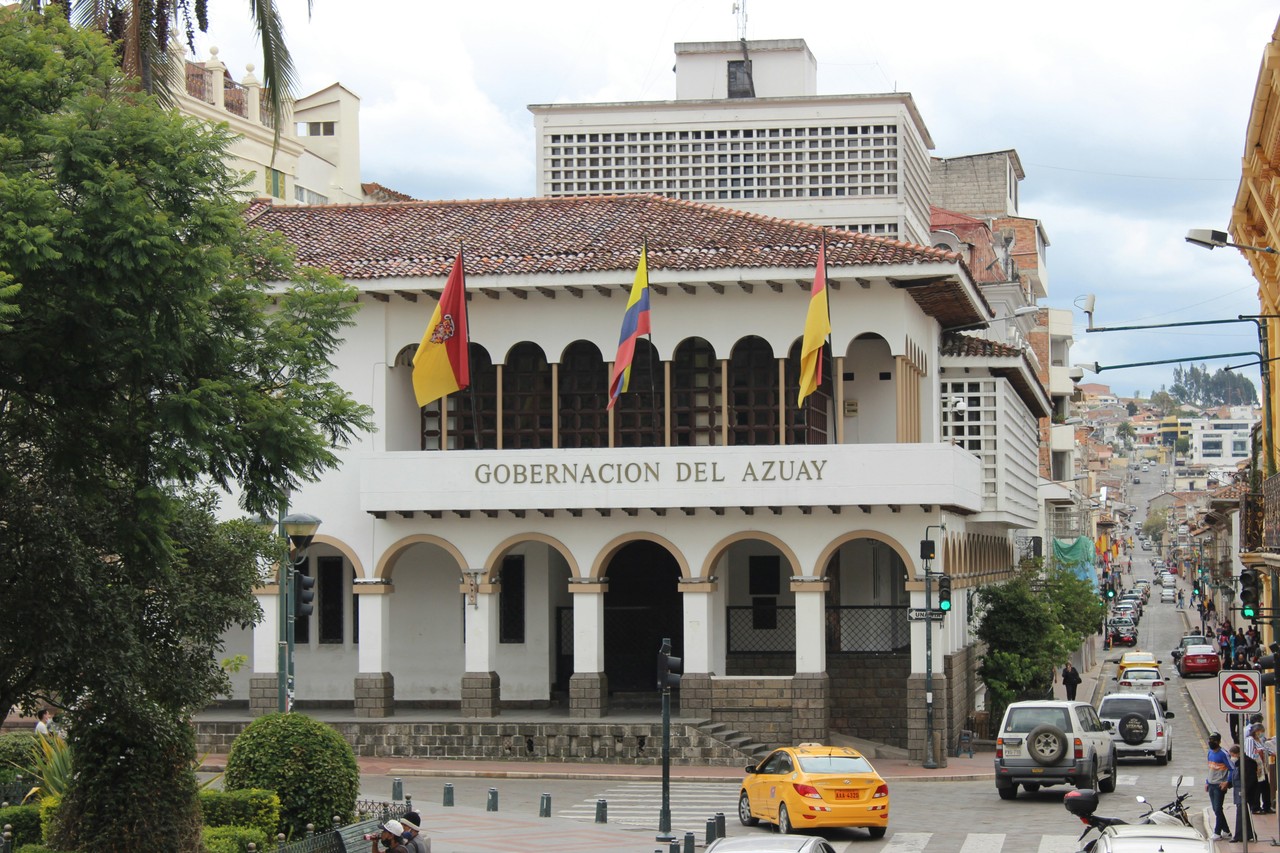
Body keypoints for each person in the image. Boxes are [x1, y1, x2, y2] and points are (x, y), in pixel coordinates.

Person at [1208, 732, 1233, 840]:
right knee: (1215, 809)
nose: (1211, 742)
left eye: (1214, 740)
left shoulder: (1223, 754)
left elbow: (1232, 768)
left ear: (1219, 742)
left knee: (1218, 808)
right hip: (1211, 784)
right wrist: (1207, 781)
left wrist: (1227, 782)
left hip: (1219, 785)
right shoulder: (1209, 752)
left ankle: (1217, 832)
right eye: (1210, 740)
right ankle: (1226, 831)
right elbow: (1210, 768)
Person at [1231, 743, 1258, 843]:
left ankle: (1239, 835)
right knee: (1243, 813)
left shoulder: (1247, 763)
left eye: (1233, 755)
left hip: (1245, 792)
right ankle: (1248, 834)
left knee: (1241, 813)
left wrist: (1245, 791)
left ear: (1237, 754)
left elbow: (1251, 779)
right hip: (1239, 791)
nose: (1232, 757)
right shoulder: (1238, 763)